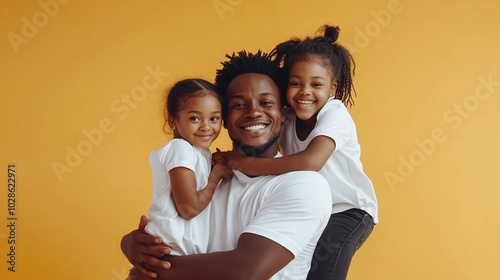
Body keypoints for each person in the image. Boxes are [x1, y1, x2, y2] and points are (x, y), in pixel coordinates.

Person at [121, 50, 332, 280]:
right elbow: (172, 229)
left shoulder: (304, 184)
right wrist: (132, 244)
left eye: (266, 102)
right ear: (224, 120)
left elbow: (243, 271)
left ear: (283, 115)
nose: (253, 112)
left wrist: (154, 270)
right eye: (239, 105)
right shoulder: (208, 175)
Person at [226, 25, 378, 280]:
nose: (305, 91)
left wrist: (246, 164)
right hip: (316, 208)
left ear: (332, 89)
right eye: (296, 83)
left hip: (348, 211)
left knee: (323, 270)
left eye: (316, 84)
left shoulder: (335, 113)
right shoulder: (287, 118)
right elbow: (256, 131)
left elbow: (311, 161)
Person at [144, 78, 231, 257]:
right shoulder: (180, 148)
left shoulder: (198, 153)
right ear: (173, 120)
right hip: (170, 249)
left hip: (181, 251)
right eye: (194, 118)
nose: (206, 126)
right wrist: (216, 175)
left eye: (214, 118)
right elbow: (188, 208)